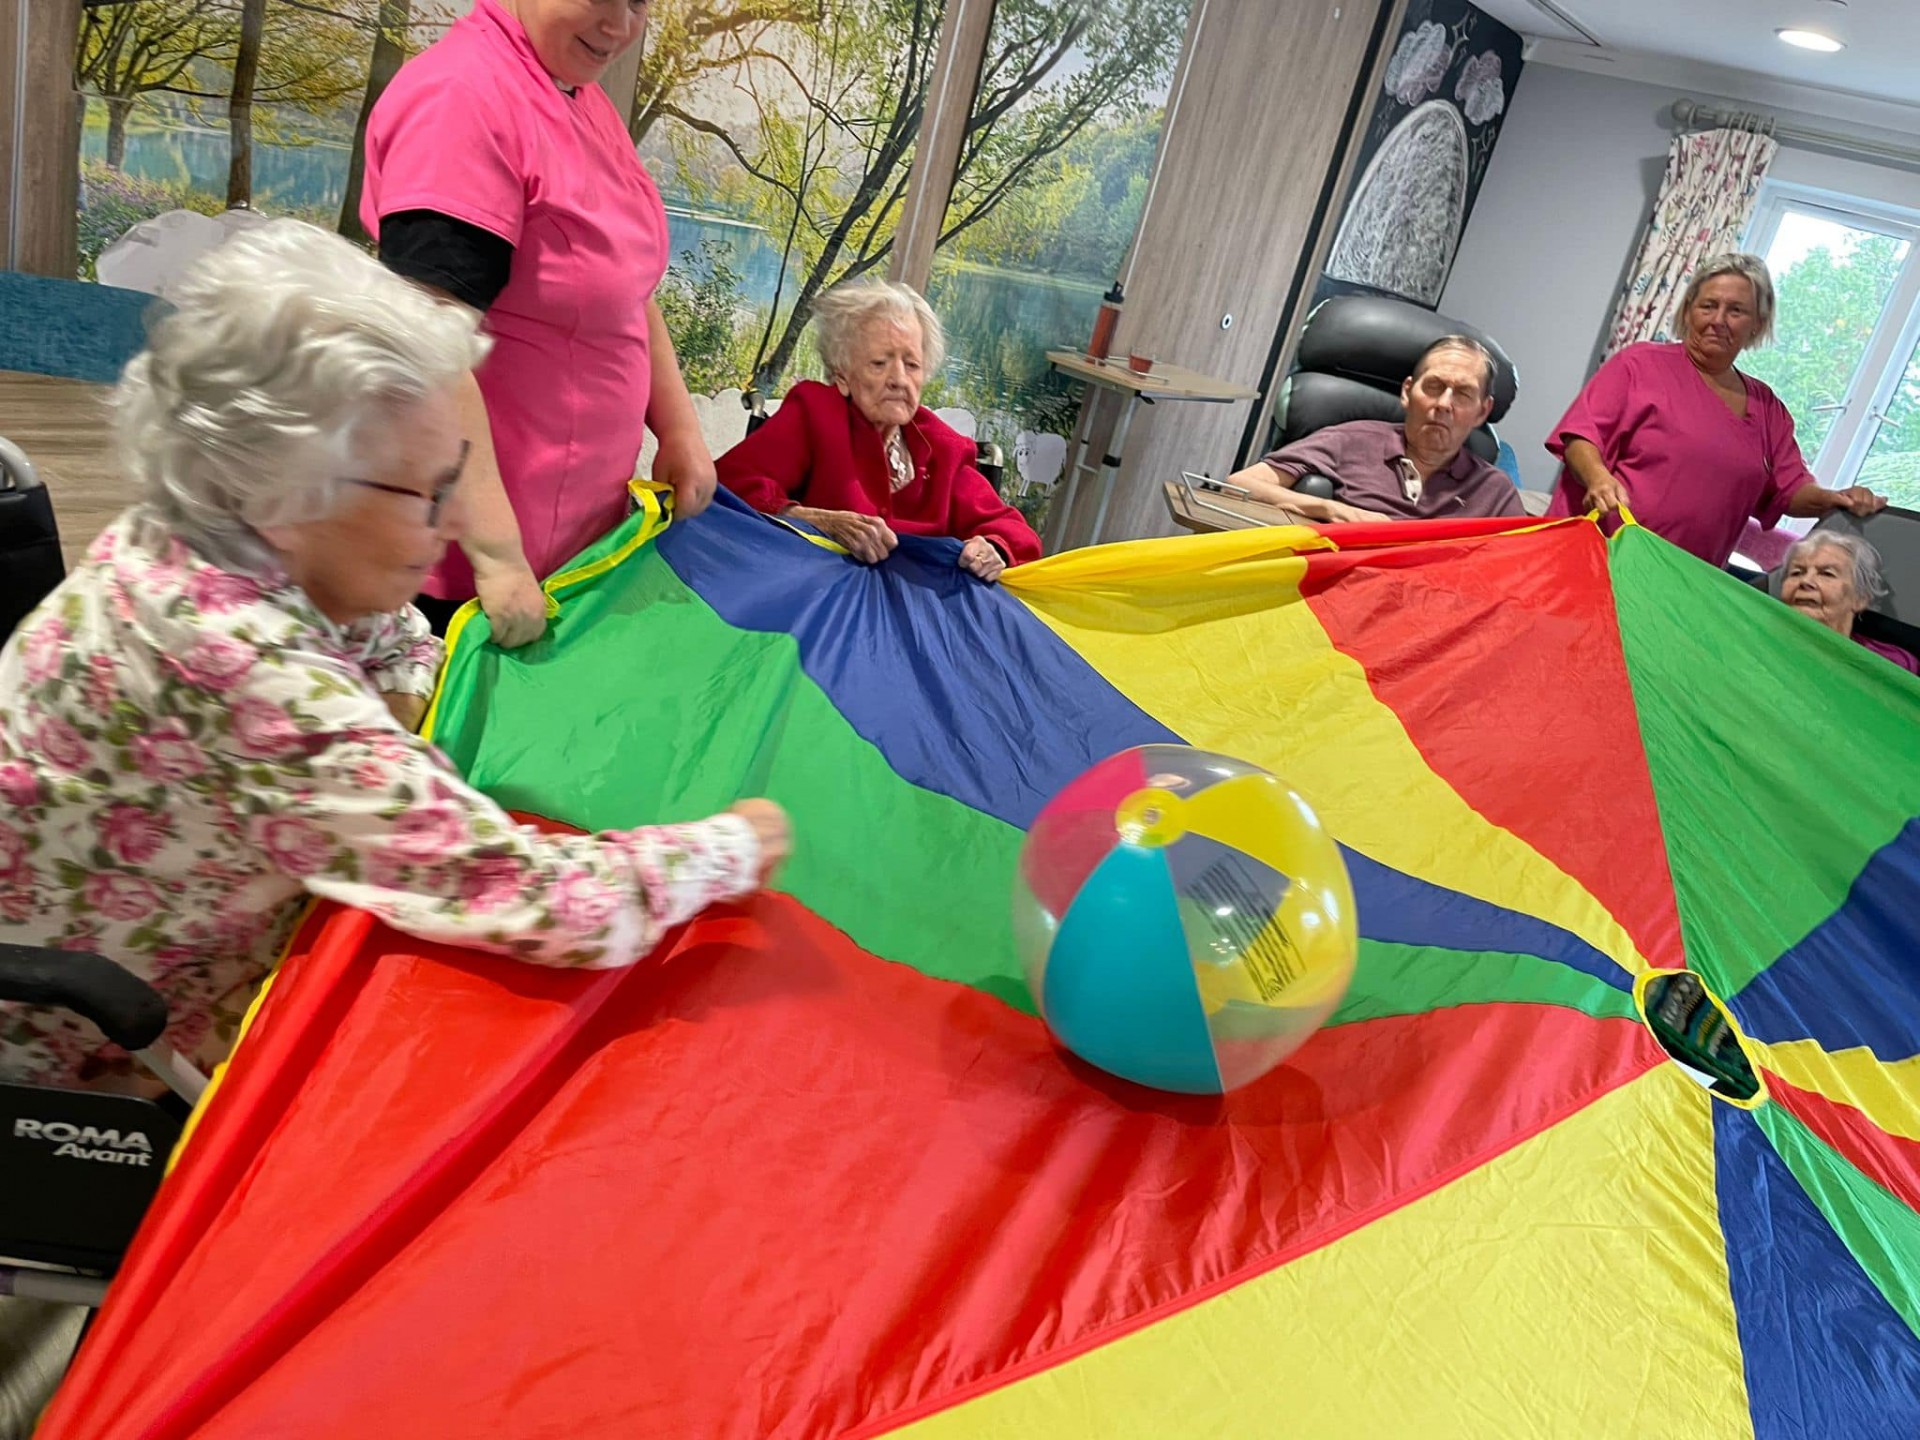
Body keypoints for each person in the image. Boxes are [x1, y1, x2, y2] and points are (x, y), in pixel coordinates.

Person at [0, 221, 790, 1092]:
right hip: (88, 1058)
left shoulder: (221, 535)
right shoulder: (234, 657)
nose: (451, 523)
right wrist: (728, 849)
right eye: (425, 495)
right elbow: (541, 903)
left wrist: (386, 730)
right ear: (291, 486)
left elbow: (400, 638)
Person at [360, 0, 717, 644]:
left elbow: (625, 287)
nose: (621, 25)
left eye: (639, 2)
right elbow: (428, 348)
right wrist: (497, 556)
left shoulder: (574, 89)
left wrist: (678, 424)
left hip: (572, 543)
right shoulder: (463, 99)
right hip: (470, 567)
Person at [1546, 252, 1885, 566]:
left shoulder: (1767, 409)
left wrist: (1835, 499)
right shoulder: (1638, 365)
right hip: (1598, 557)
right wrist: (1598, 477)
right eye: (1708, 306)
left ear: (1757, 322)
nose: (1719, 320)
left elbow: (1790, 490)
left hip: (1687, 582)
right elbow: (1580, 436)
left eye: (1736, 310)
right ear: (1689, 310)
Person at [715, 280, 1041, 583]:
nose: (899, 379)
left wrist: (993, 548)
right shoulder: (816, 414)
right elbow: (728, 484)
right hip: (814, 603)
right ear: (842, 376)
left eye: (912, 364)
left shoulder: (943, 449)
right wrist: (815, 520)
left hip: (911, 620)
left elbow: (1013, 532)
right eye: (879, 363)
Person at [1222, 336, 1526, 523]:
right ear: (1407, 392)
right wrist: (1329, 509)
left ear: (1482, 411)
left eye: (1462, 394)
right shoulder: (1351, 439)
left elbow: (1519, 574)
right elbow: (1239, 484)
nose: (1444, 404)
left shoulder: (1495, 492)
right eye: (1433, 387)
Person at [1779, 531, 1919, 674]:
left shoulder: (1895, 664)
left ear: (1860, 598)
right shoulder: (1760, 642)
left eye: (1826, 573)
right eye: (1796, 573)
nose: (1805, 581)